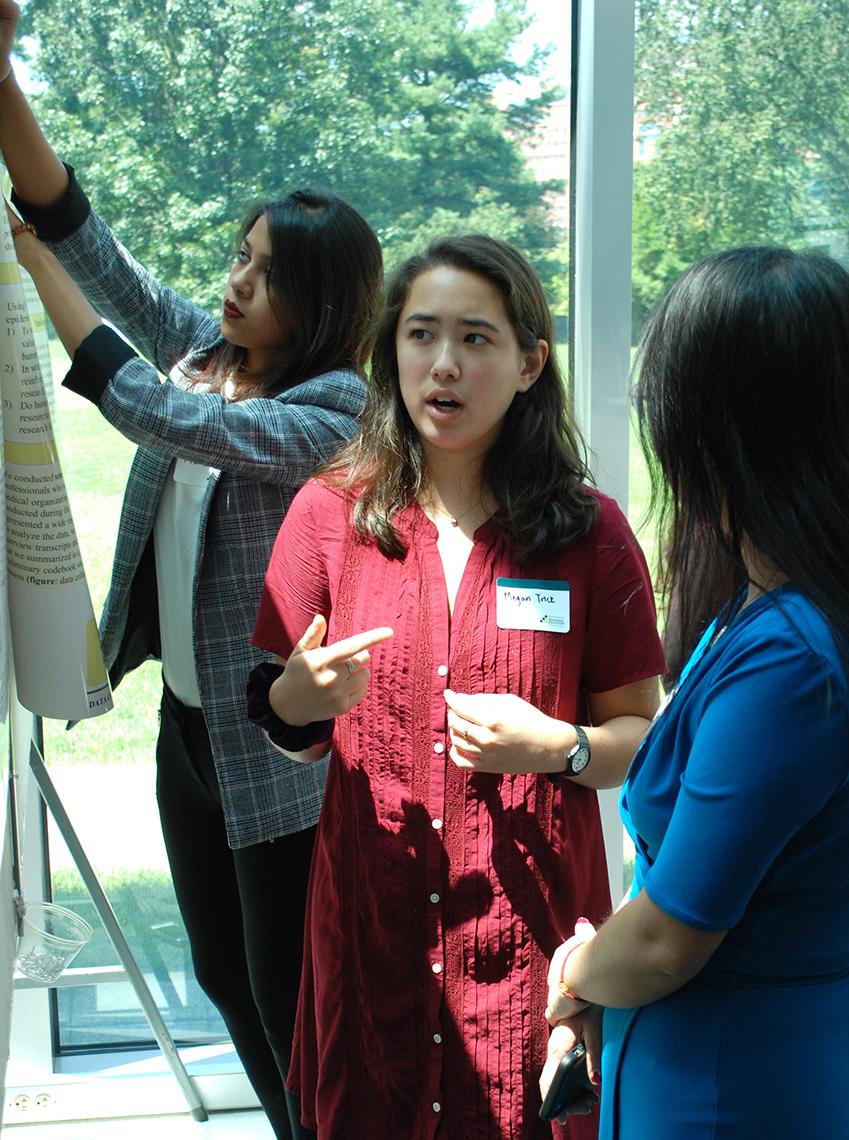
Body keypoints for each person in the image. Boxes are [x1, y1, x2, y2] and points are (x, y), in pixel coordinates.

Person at [0, 5, 382, 1135]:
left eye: (264, 276)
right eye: (238, 259)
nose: (235, 285)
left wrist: (34, 272)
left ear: (318, 301)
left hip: (278, 755)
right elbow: (86, 236)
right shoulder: (212, 356)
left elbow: (154, 416)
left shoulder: (334, 407)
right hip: (187, 733)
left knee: (288, 999)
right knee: (223, 977)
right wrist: (3, 81)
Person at [248, 233, 666, 1138]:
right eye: (420, 334)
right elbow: (278, 711)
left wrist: (559, 747)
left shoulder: (587, 533)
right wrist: (297, 702)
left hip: (531, 947)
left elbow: (643, 735)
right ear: (390, 350)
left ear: (528, 363)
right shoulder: (330, 512)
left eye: (476, 339)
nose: (443, 364)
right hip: (373, 932)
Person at [542, 246, 849, 1138]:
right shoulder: (767, 601)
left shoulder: (794, 660)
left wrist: (578, 972)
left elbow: (667, 937)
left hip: (735, 1084)